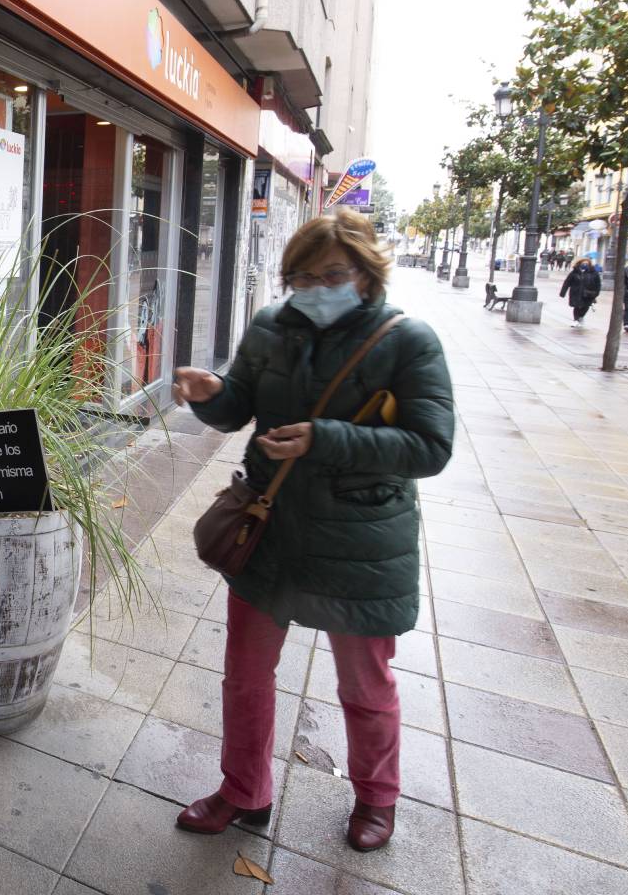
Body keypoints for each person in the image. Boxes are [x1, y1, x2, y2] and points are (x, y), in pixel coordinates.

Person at [171, 208, 454, 854]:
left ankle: (376, 798)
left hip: (358, 541)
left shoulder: (409, 340)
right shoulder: (272, 325)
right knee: (244, 674)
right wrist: (211, 391)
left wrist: (326, 439)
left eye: (331, 274)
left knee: (364, 683)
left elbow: (430, 447)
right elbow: (238, 401)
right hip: (268, 528)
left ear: (364, 271)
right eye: (302, 276)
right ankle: (243, 791)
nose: (316, 287)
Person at [561, 258, 601, 328]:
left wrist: (596, 293)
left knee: (585, 307)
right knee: (577, 306)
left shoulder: (594, 273)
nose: (585, 264)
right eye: (583, 263)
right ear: (580, 263)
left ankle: (581, 317)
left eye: (586, 263)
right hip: (576, 293)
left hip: (588, 294)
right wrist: (563, 292)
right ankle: (576, 320)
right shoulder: (575, 272)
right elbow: (567, 282)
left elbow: (598, 284)